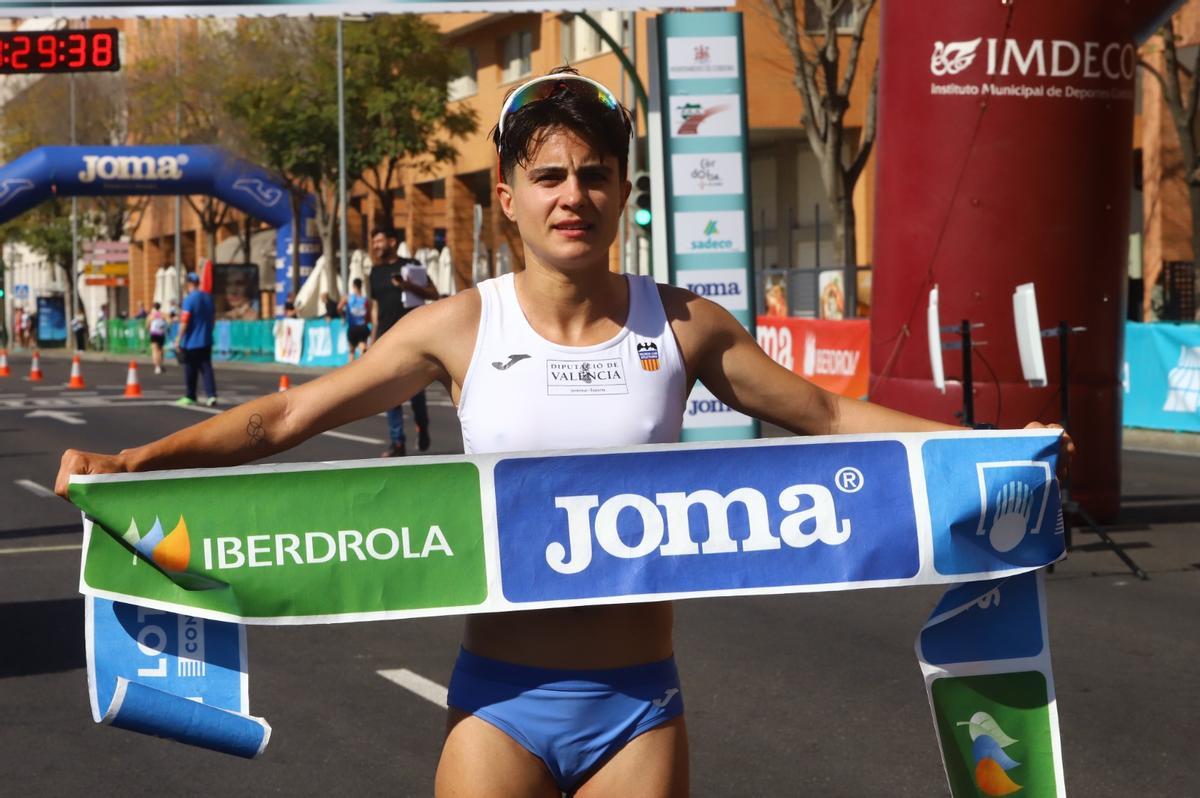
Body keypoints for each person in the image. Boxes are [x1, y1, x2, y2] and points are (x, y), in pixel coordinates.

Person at [56, 70, 1071, 797]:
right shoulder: (458, 326)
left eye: (593, 174)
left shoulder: (683, 324)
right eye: (547, 176)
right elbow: (282, 415)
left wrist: (983, 450)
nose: (571, 195)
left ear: (624, 194)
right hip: (502, 703)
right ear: (508, 197)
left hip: (641, 706)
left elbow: (832, 415)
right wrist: (135, 464)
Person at [369, 225, 438, 456]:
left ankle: (423, 425)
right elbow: (376, 307)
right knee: (390, 392)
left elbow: (434, 293)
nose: (376, 246)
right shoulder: (375, 272)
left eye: (379, 241)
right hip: (386, 339)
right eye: (374, 242)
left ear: (391, 241)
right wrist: (373, 340)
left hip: (413, 339)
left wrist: (406, 285)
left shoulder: (411, 266)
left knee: (416, 393)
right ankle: (397, 442)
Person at [174, 272, 217, 407]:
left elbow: (184, 321)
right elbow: (213, 319)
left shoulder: (189, 299)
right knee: (206, 368)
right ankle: (211, 395)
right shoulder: (208, 298)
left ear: (189, 284)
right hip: (206, 339)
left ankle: (190, 395)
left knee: (190, 369)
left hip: (191, 342)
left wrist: (178, 338)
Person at [338, 277, 372, 361]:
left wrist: (343, 316)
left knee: (352, 351)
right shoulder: (365, 300)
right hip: (363, 327)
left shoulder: (348, 298)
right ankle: (363, 365)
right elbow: (368, 315)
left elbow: (339, 308)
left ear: (353, 286)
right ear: (361, 286)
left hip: (353, 327)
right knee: (362, 346)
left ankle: (351, 370)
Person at [146, 302, 169, 374]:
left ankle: (157, 367)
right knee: (160, 350)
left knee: (155, 351)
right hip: (161, 334)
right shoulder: (163, 314)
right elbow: (169, 321)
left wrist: (148, 329)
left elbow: (147, 325)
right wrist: (166, 327)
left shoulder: (151, 315)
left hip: (154, 334)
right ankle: (160, 365)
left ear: (153, 307)